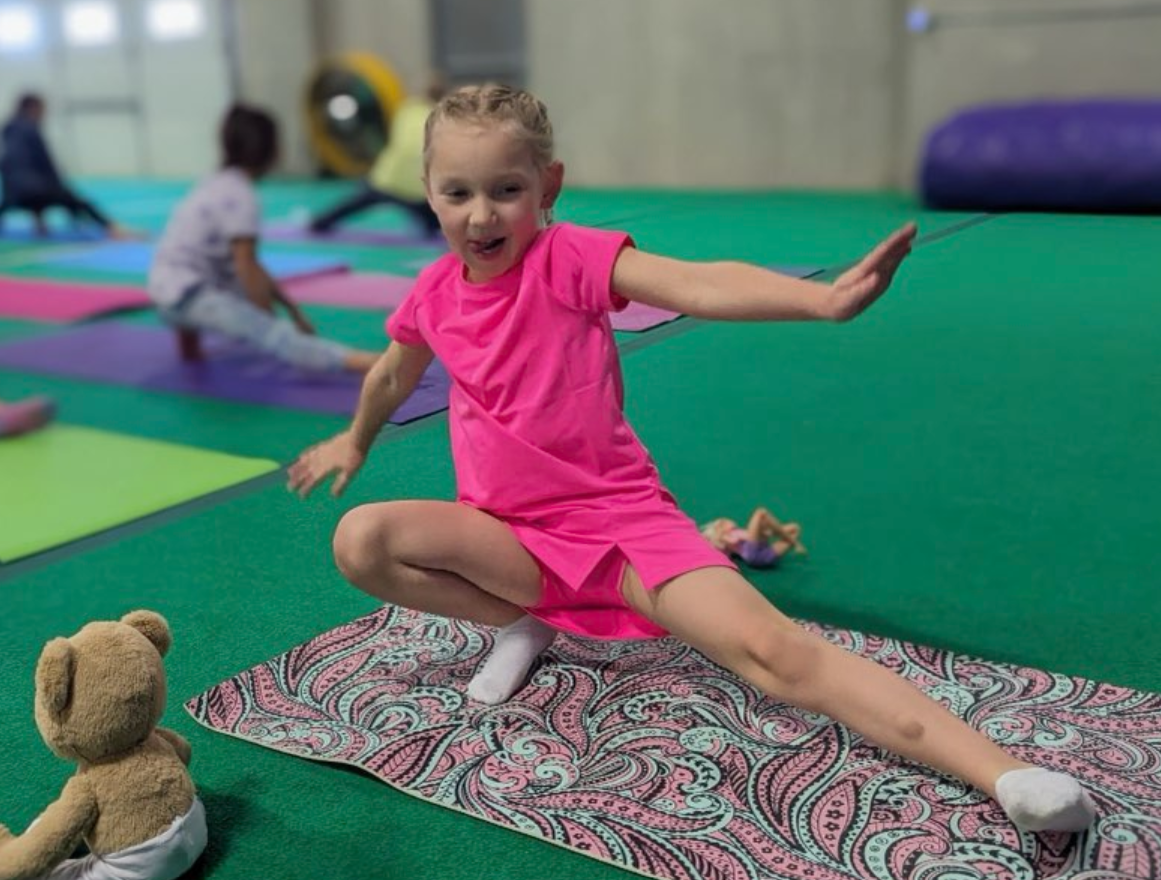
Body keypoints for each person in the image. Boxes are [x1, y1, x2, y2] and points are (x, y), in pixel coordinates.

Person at [287, 84, 1095, 834]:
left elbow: (691, 283)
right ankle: (525, 620)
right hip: (506, 535)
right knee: (361, 539)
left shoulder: (566, 258)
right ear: (426, 190)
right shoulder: (432, 291)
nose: (479, 214)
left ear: (547, 185)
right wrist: (354, 439)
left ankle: (1004, 776)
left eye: (505, 189)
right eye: (455, 192)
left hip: (617, 520)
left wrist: (820, 299)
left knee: (775, 655)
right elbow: (396, 370)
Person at [148, 104, 378, 373]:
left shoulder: (214, 182)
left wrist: (292, 310)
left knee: (211, 277)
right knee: (272, 332)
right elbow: (246, 266)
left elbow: (245, 265)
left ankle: (190, 350)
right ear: (268, 150)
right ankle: (366, 363)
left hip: (164, 294)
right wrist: (270, 321)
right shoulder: (242, 196)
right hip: (188, 296)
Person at [308, 78, 446, 238]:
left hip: (388, 178)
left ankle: (319, 223)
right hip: (416, 188)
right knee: (434, 221)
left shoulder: (407, 109)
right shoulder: (440, 118)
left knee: (355, 203)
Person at [0, 93, 133, 238]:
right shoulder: (32, 130)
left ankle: (40, 224)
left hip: (14, 195)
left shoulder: (9, 131)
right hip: (35, 191)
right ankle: (113, 228)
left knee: (28, 193)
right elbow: (46, 165)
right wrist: (65, 193)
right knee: (78, 202)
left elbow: (13, 167)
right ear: (33, 108)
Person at [702, 506, 805, 568]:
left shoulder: (739, 532)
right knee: (760, 513)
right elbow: (733, 542)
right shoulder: (727, 536)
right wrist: (720, 536)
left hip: (764, 556)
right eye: (724, 522)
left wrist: (766, 532)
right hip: (751, 553)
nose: (728, 521)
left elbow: (753, 537)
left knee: (795, 528)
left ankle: (794, 543)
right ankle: (795, 543)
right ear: (721, 527)